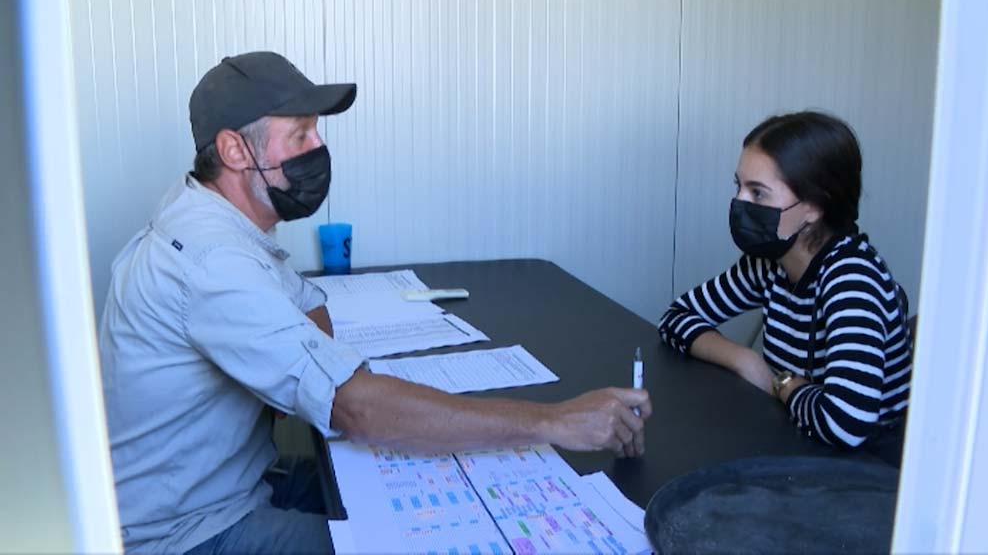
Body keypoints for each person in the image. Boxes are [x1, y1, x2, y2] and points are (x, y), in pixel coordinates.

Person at [99, 51, 651, 554]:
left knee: (425, 488)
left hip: (237, 484)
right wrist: (553, 421)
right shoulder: (207, 257)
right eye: (300, 135)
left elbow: (314, 317)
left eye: (316, 131)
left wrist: (319, 370)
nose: (318, 148)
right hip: (189, 532)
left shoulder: (209, 212)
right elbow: (353, 408)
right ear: (234, 150)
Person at [658, 111, 911, 464]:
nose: (741, 203)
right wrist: (746, 361)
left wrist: (782, 384)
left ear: (813, 208)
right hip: (798, 443)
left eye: (758, 193)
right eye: (739, 187)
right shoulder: (769, 261)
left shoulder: (853, 280)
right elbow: (676, 317)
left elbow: (845, 423)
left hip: (867, 470)